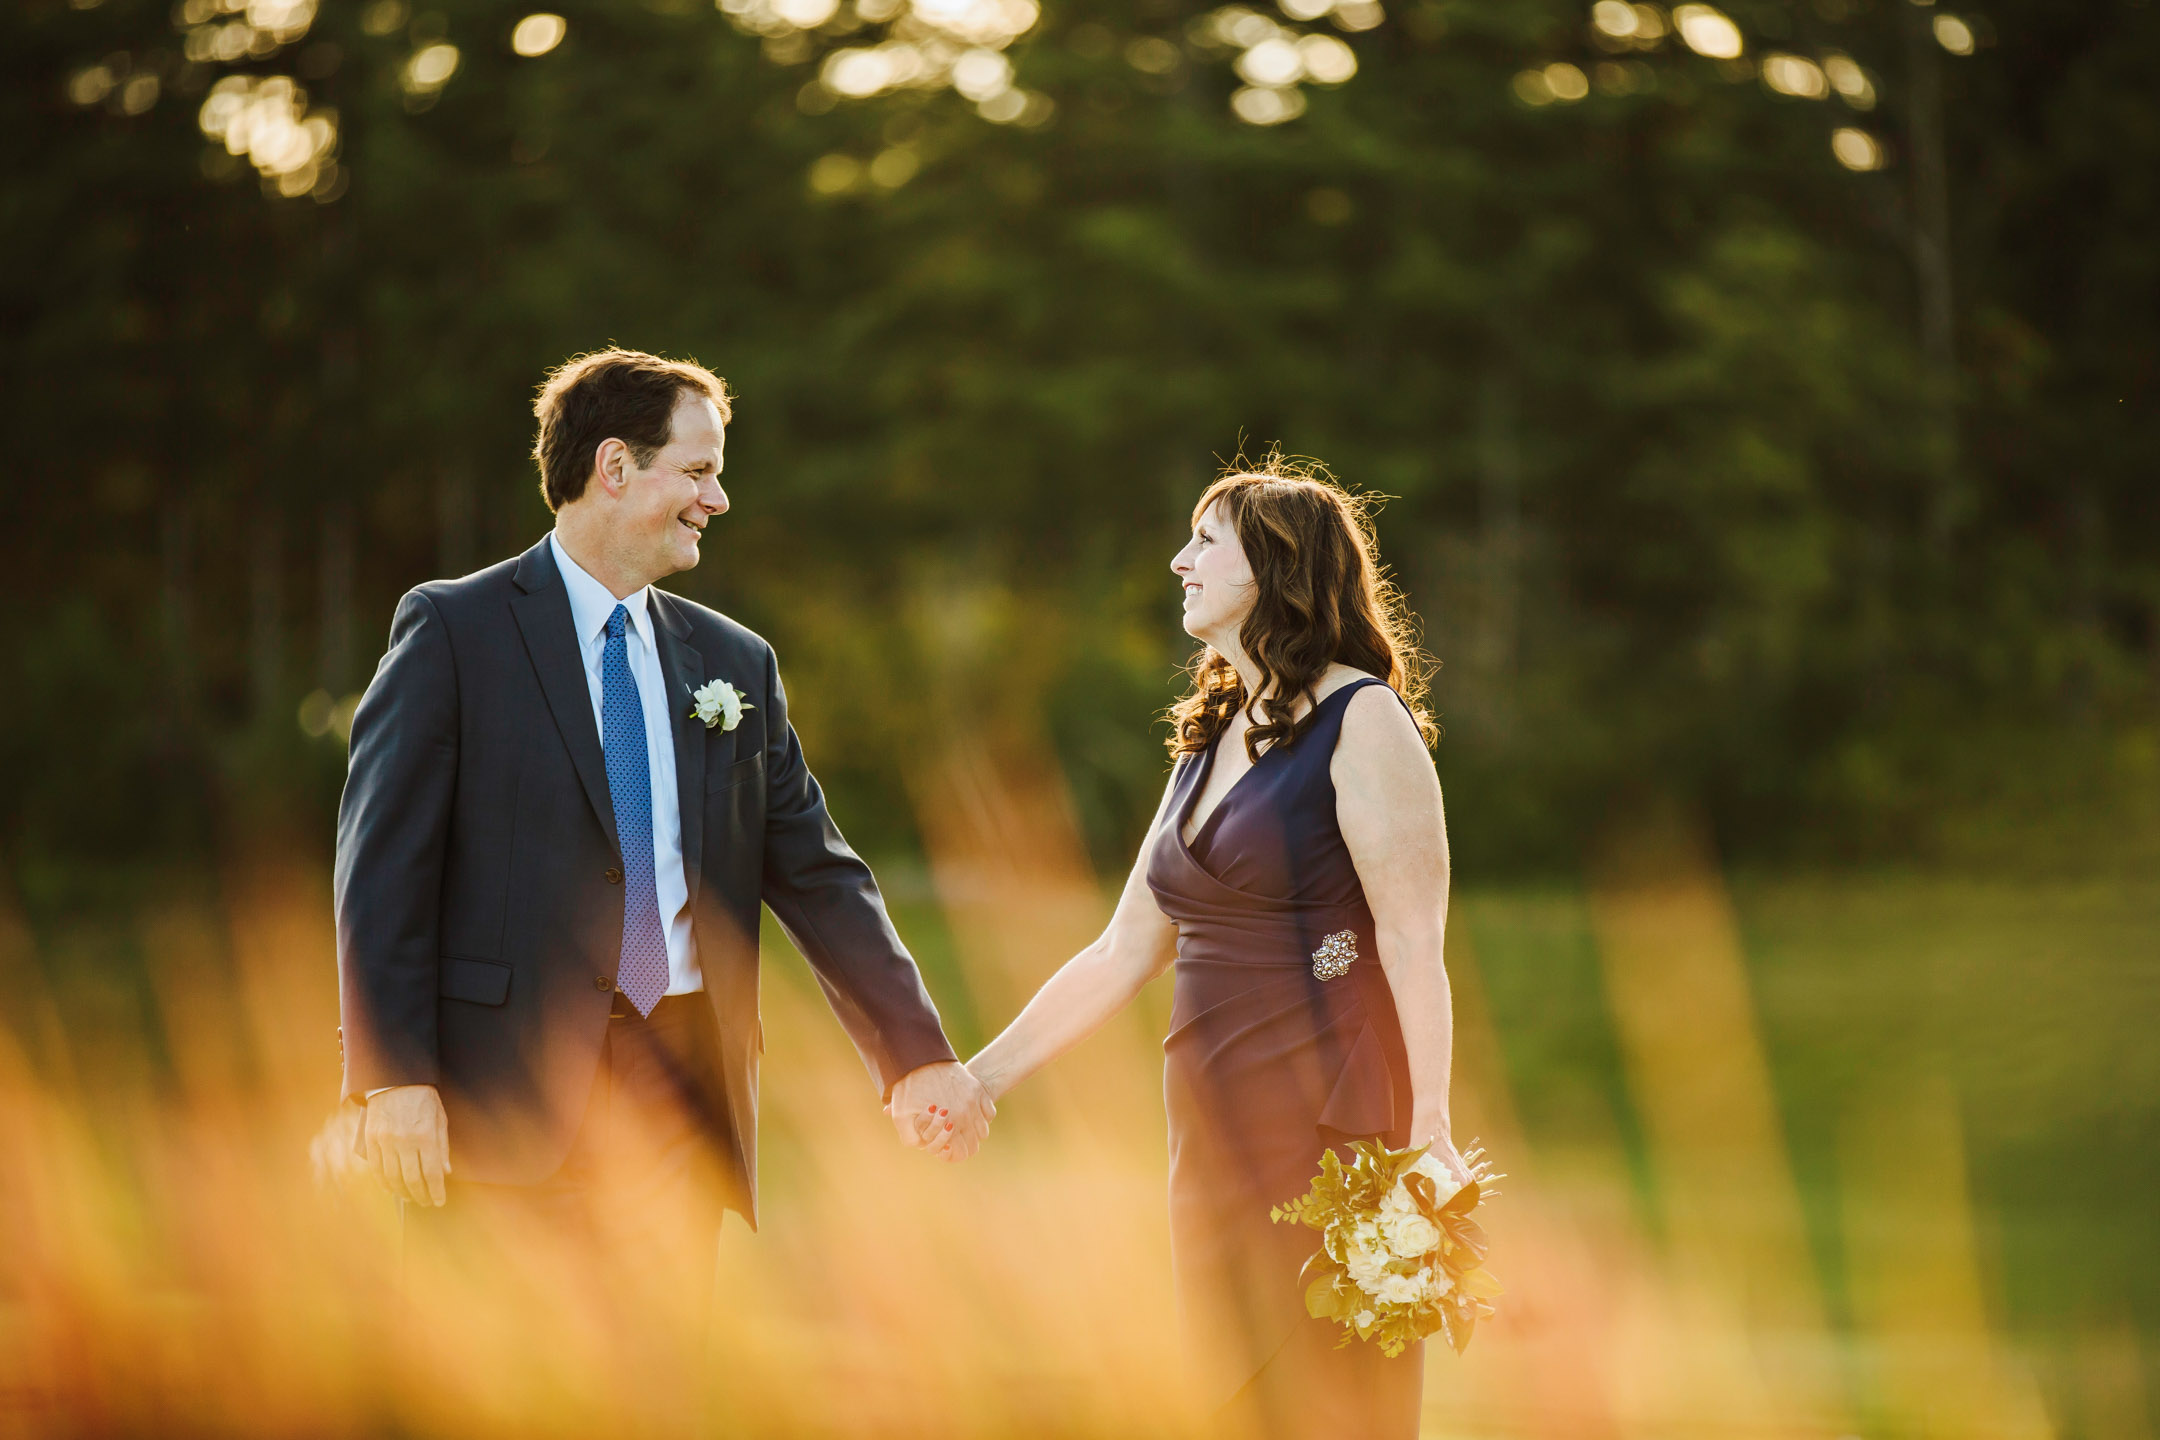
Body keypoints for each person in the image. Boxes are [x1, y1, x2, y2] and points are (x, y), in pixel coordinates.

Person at [332, 348, 993, 1428]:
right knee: (490, 1394)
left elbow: (819, 874)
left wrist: (914, 1053)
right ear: (615, 468)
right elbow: (381, 867)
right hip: (504, 1094)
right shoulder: (453, 629)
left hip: (684, 1090)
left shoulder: (733, 662)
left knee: (650, 1398)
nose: (717, 498)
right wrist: (392, 1074)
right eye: (700, 470)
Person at [965, 453, 1464, 1438]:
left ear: (1272, 567)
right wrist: (982, 1078)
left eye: (1204, 541)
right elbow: (1122, 950)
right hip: (1212, 1129)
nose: (1177, 561)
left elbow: (1413, 942)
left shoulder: (1364, 720)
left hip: (1330, 1132)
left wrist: (1430, 1130)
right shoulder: (1214, 732)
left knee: (1325, 1394)